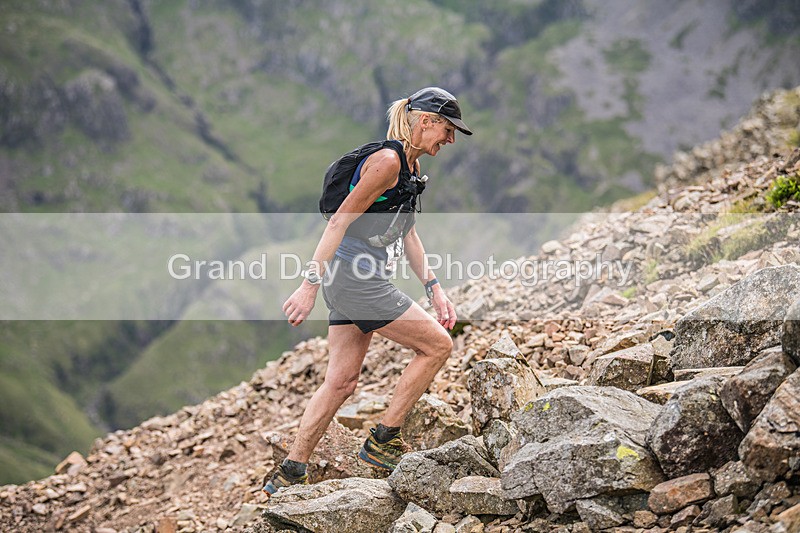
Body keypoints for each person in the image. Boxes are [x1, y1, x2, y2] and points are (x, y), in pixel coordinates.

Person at [263, 87, 473, 496]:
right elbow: (339, 222)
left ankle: (289, 472)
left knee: (341, 382)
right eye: (447, 130)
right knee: (437, 346)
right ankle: (384, 440)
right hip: (356, 280)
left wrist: (434, 288)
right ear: (425, 121)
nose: (450, 140)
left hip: (353, 280)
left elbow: (408, 233)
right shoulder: (388, 162)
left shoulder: (409, 167)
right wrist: (308, 285)